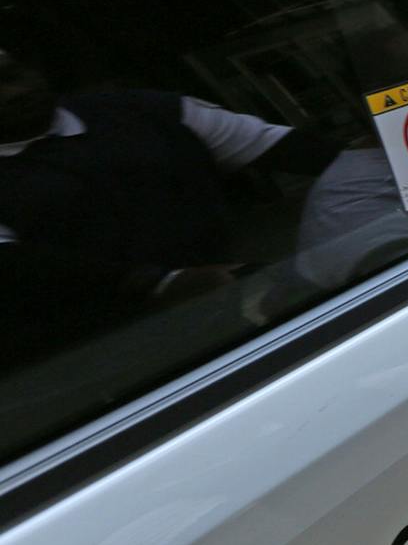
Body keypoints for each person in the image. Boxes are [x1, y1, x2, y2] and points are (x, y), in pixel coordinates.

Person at [0, 49, 337, 349]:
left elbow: (299, 151)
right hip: (90, 370)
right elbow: (20, 267)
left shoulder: (146, 112)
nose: (14, 93)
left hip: (238, 324)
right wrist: (162, 283)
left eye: (12, 75)